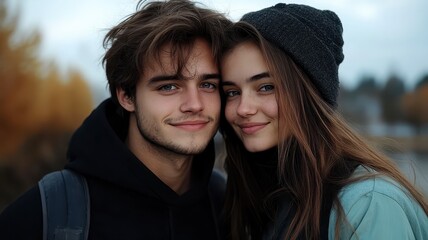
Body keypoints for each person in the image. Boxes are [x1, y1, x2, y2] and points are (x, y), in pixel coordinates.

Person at [0, 0, 232, 239]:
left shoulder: (226, 203)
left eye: (207, 84)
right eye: (169, 86)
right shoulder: (56, 209)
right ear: (126, 96)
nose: (194, 104)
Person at [219, 3, 428, 239]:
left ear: (310, 93)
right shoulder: (259, 195)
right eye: (232, 92)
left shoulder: (368, 205)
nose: (243, 108)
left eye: (266, 87)